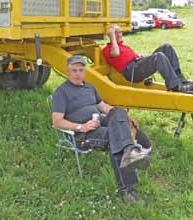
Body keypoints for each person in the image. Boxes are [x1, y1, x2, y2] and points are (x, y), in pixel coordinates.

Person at [52, 55, 151, 204]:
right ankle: (128, 189)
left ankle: (129, 150)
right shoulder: (61, 92)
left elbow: (104, 107)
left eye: (81, 70)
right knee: (116, 139)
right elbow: (57, 122)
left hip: (99, 121)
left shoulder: (90, 87)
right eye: (74, 70)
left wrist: (124, 116)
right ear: (67, 71)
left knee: (119, 111)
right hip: (83, 133)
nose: (78, 74)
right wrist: (81, 126)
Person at [102, 25, 193, 92]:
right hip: (132, 72)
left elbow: (136, 56)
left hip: (138, 64)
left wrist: (147, 57)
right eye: (115, 33)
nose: (119, 35)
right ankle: (175, 86)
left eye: (120, 32)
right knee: (158, 57)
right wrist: (112, 38)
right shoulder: (108, 49)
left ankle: (181, 80)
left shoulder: (124, 46)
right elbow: (115, 53)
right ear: (111, 35)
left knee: (166, 47)